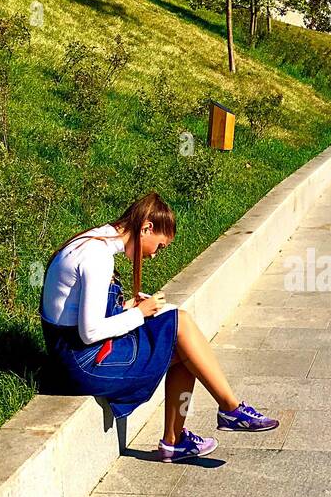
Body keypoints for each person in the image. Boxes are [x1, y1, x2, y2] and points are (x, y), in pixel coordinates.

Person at [40, 192, 278, 461]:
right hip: (83, 363)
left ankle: (178, 440)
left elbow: (78, 314)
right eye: (160, 246)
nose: (154, 255)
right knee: (181, 329)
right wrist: (140, 314)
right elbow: (90, 331)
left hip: (76, 354)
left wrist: (126, 308)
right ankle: (228, 409)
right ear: (146, 228)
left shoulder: (94, 241)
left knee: (182, 339)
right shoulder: (98, 258)